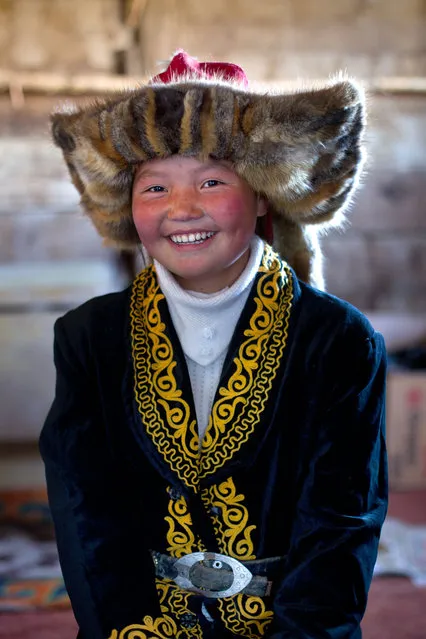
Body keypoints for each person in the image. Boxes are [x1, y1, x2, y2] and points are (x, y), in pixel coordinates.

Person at [39, 50, 388, 639]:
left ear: (261, 195)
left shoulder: (339, 341)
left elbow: (340, 526)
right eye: (155, 187)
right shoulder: (87, 337)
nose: (182, 209)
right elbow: (86, 516)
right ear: (128, 205)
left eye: (211, 181)